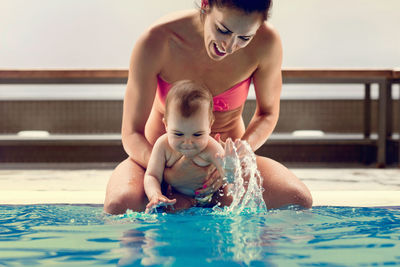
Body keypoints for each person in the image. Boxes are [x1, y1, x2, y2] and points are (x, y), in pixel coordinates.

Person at [104, 0, 312, 214]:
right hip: (156, 163)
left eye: (244, 38)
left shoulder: (267, 42)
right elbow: (131, 133)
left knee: (297, 199)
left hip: (223, 171)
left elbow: (267, 114)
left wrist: (232, 160)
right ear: (205, 5)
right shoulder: (157, 40)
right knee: (119, 204)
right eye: (223, 30)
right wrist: (168, 172)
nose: (229, 46)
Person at [143, 80, 237, 213]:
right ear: (166, 125)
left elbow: (229, 179)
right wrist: (155, 195)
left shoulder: (212, 148)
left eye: (197, 134)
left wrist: (231, 166)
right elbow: (152, 176)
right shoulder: (163, 146)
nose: (188, 143)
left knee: (230, 200)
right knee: (172, 207)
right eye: (178, 134)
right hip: (180, 195)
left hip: (212, 196)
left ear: (209, 126)